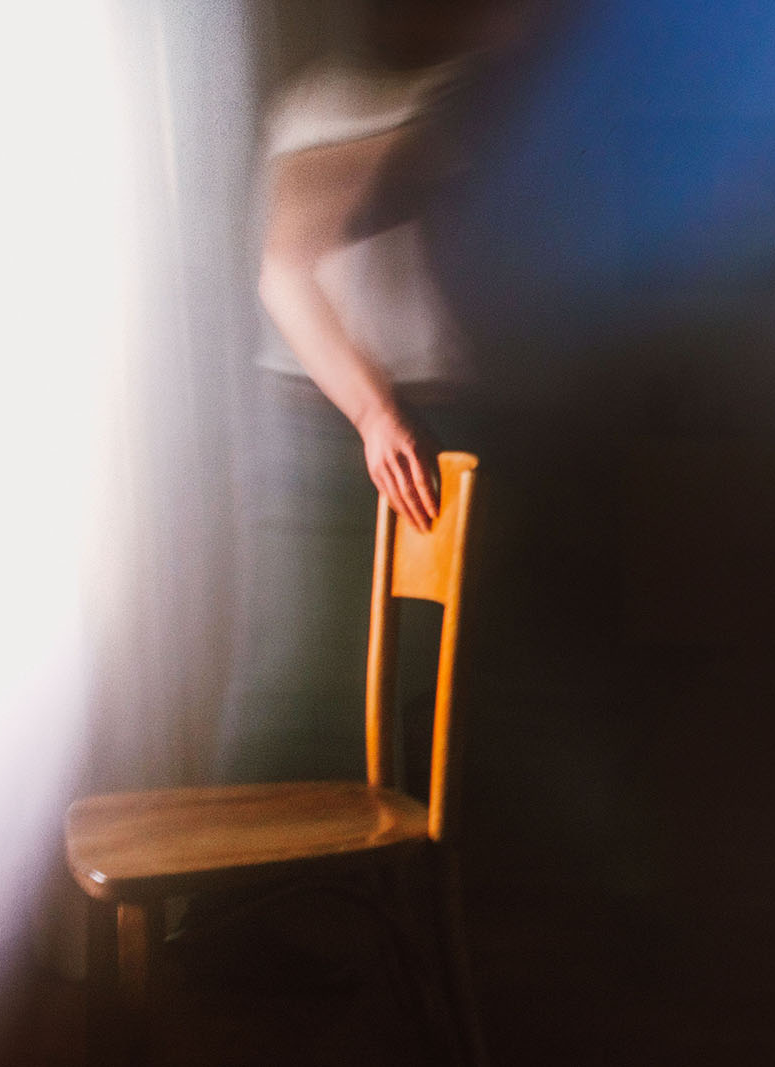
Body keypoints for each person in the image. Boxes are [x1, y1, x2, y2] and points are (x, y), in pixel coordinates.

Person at [220, 0, 529, 786]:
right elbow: (282, 263)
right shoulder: (319, 102)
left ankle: (389, 890)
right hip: (323, 426)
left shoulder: (484, 95)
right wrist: (373, 411)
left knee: (437, 693)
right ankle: (235, 905)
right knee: (298, 686)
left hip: (453, 416)